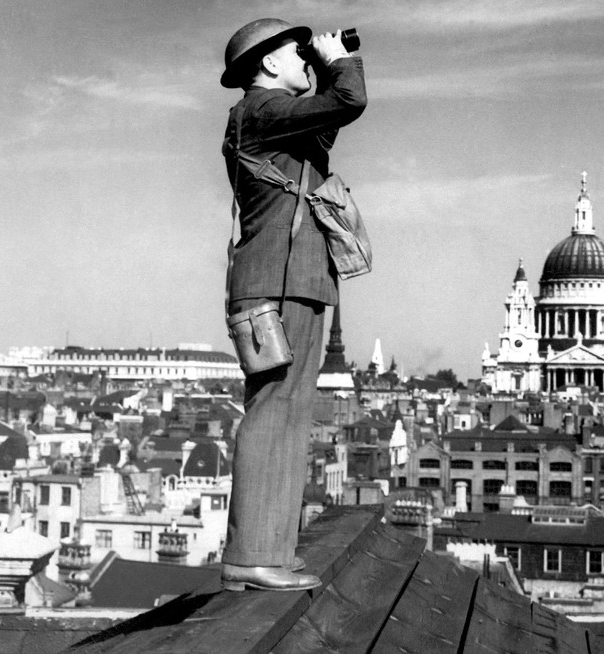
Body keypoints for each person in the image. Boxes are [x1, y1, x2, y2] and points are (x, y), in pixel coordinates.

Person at [218, 18, 367, 591]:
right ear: (269, 63)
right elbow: (349, 101)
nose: (306, 58)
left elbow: (325, 128)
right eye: (296, 51)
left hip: (294, 281)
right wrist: (336, 62)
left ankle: (271, 554)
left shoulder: (274, 120)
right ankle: (251, 555)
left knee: (289, 417)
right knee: (272, 414)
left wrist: (323, 71)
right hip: (277, 285)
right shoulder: (259, 110)